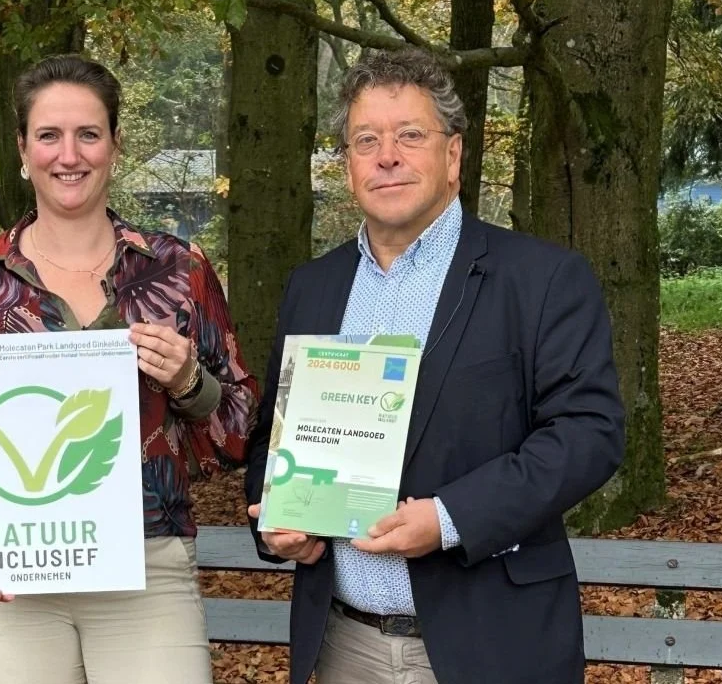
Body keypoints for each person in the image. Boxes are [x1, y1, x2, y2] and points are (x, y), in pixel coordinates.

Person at [244, 48, 625, 684]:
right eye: (366, 139)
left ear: (453, 156)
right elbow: (270, 438)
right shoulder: (312, 288)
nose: (386, 155)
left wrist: (449, 519)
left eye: (409, 136)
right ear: (348, 165)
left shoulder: (541, 279)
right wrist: (277, 522)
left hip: (492, 641)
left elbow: (588, 434)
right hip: (344, 643)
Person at [0, 54, 257, 684]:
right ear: (22, 149)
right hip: (12, 574)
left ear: (115, 146)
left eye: (88, 134)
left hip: (146, 565)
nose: (68, 155)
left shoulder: (179, 271)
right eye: (48, 135)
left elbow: (238, 434)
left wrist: (188, 383)